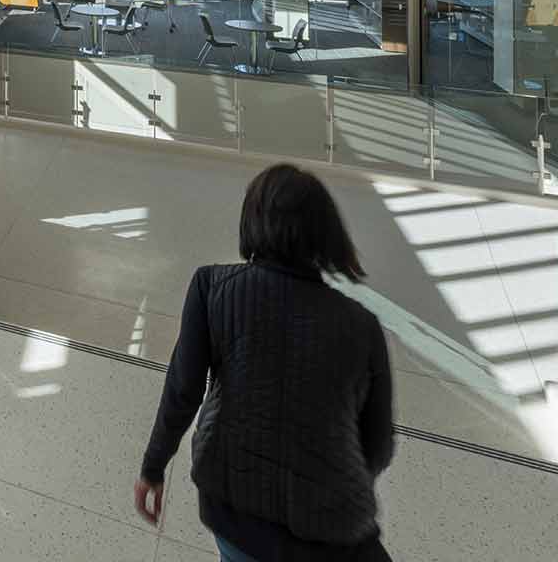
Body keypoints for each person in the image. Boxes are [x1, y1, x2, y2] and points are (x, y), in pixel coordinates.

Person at [134, 164, 394, 562]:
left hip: (236, 513)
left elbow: (183, 390)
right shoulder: (363, 326)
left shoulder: (213, 288)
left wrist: (153, 467)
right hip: (336, 532)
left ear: (252, 222)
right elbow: (377, 443)